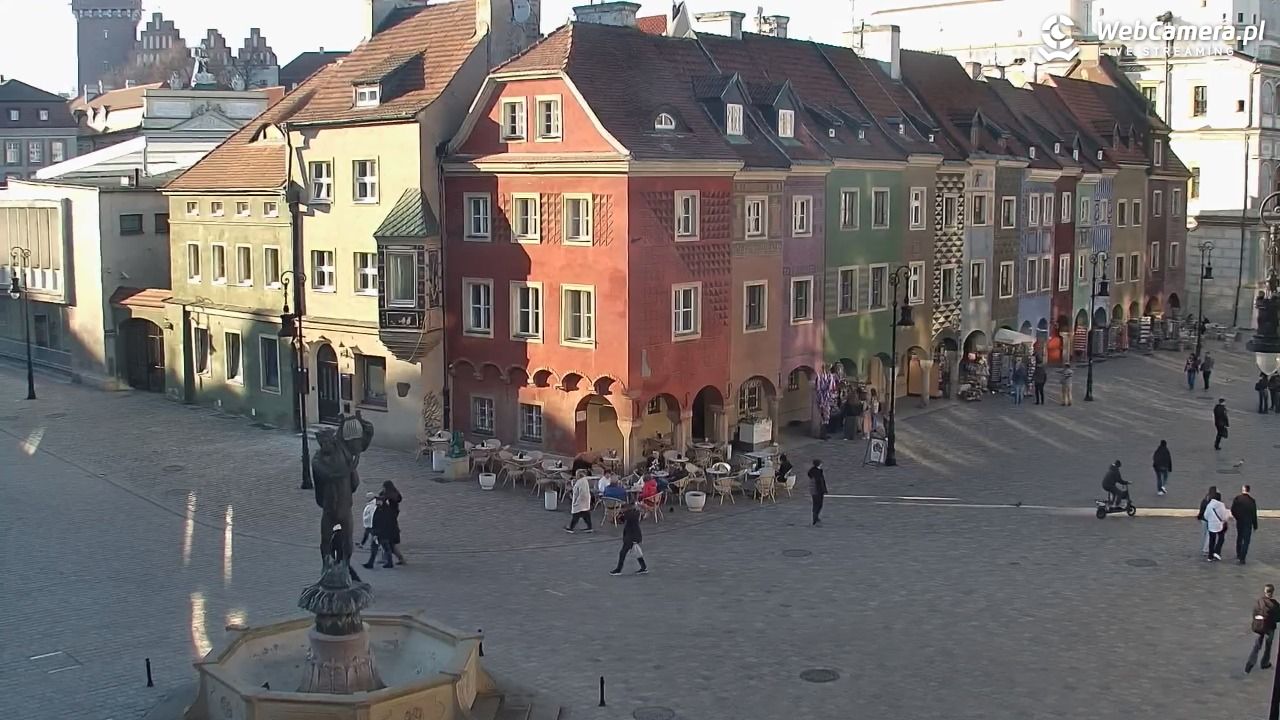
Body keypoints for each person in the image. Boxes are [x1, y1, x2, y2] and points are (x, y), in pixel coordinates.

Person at [1247, 584, 1280, 673]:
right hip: (1270, 629)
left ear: (1265, 592)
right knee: (1268, 647)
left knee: (1257, 646)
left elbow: (1254, 614)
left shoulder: (1259, 601)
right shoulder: (1275, 604)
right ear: (1272, 592)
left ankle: (1250, 663)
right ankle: (1264, 663)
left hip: (1260, 627)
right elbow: (1278, 618)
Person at [609, 501, 647, 576]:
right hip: (634, 535)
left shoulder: (629, 514)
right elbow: (619, 520)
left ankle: (618, 569)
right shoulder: (636, 513)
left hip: (631, 537)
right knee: (637, 552)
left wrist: (618, 515)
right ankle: (643, 567)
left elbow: (618, 520)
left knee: (623, 553)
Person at [362, 497, 396, 569]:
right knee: (385, 548)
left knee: (376, 548)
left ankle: (371, 563)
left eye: (378, 501)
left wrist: (376, 534)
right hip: (382, 533)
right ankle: (389, 563)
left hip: (380, 534)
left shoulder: (383, 511)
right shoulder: (381, 509)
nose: (377, 502)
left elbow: (381, 523)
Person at [1232, 485, 1259, 564]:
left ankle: (1238, 553)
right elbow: (1254, 514)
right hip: (1248, 523)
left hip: (1240, 521)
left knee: (1239, 537)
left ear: (1243, 490)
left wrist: (1237, 517)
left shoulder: (1237, 499)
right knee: (1246, 540)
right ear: (1249, 490)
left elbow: (1233, 510)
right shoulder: (1252, 501)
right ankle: (1242, 558)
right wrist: (1255, 525)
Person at [380, 480, 405, 565]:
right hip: (391, 520)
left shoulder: (390, 497)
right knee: (386, 542)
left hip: (389, 522)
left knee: (389, 543)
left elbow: (383, 504)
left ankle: (398, 558)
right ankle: (386, 558)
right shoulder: (394, 495)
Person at [1204, 490, 1230, 561]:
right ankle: (1217, 551)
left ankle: (1210, 556)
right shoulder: (1221, 505)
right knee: (1221, 537)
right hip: (1219, 525)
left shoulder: (1209, 505)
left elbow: (1205, 515)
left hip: (1211, 525)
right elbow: (1224, 516)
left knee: (1212, 540)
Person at [1199, 485, 1219, 556]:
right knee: (1208, 535)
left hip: (1203, 519)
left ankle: (1203, 547)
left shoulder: (1205, 499)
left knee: (1204, 534)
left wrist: (1200, 517)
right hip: (1210, 520)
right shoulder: (1214, 501)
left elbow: (1201, 509)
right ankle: (1206, 549)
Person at [808, 459, 828, 526]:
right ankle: (815, 518)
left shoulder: (813, 472)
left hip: (815, 491)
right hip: (818, 491)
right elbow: (821, 482)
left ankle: (815, 517)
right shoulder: (817, 472)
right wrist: (824, 490)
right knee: (818, 504)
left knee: (816, 504)